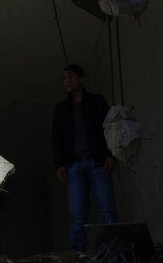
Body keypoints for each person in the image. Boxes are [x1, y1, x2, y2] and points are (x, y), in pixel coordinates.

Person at [51, 64, 118, 253]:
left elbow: (110, 130)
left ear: (82, 79)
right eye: (64, 78)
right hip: (74, 167)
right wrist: (60, 165)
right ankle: (77, 256)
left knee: (108, 211)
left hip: (98, 162)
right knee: (78, 217)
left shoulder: (97, 102)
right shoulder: (62, 109)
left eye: (71, 77)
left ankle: (115, 252)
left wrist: (110, 155)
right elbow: (56, 138)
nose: (67, 81)